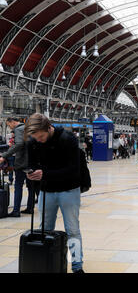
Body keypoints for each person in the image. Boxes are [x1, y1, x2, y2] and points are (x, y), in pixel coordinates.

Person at [25, 113, 84, 273]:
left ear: (49, 127)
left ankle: (77, 266)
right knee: (44, 229)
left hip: (69, 190)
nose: (39, 140)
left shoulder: (67, 139)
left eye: (41, 136)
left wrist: (45, 174)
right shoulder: (33, 142)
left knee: (72, 230)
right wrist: (31, 173)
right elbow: (31, 163)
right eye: (36, 137)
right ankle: (46, 262)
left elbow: (73, 170)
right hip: (46, 191)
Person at [0, 118, 35, 217]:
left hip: (22, 162)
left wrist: (5, 155)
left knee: (18, 185)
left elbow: (19, 144)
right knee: (30, 186)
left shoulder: (18, 129)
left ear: (13, 122)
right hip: (31, 162)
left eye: (8, 125)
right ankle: (30, 208)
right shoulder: (27, 128)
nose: (9, 127)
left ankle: (16, 210)